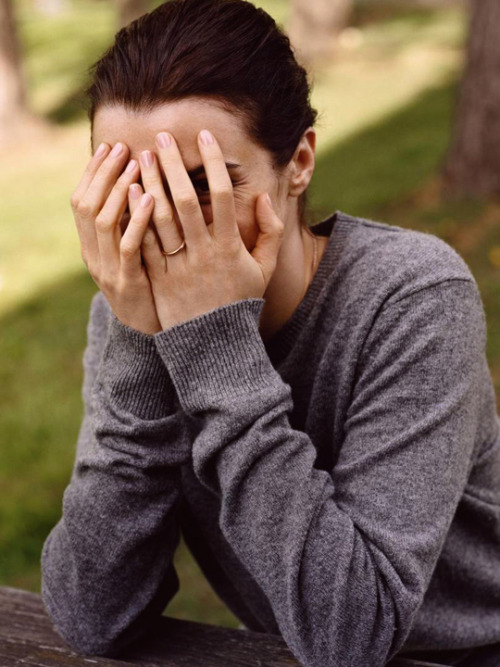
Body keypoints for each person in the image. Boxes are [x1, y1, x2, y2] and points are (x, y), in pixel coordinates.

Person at [41, 1, 500, 665]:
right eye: (130, 189)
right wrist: (142, 340)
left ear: (301, 160)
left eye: (200, 185)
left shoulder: (413, 296)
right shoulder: (132, 312)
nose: (160, 226)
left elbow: (352, 634)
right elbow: (91, 615)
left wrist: (215, 350)